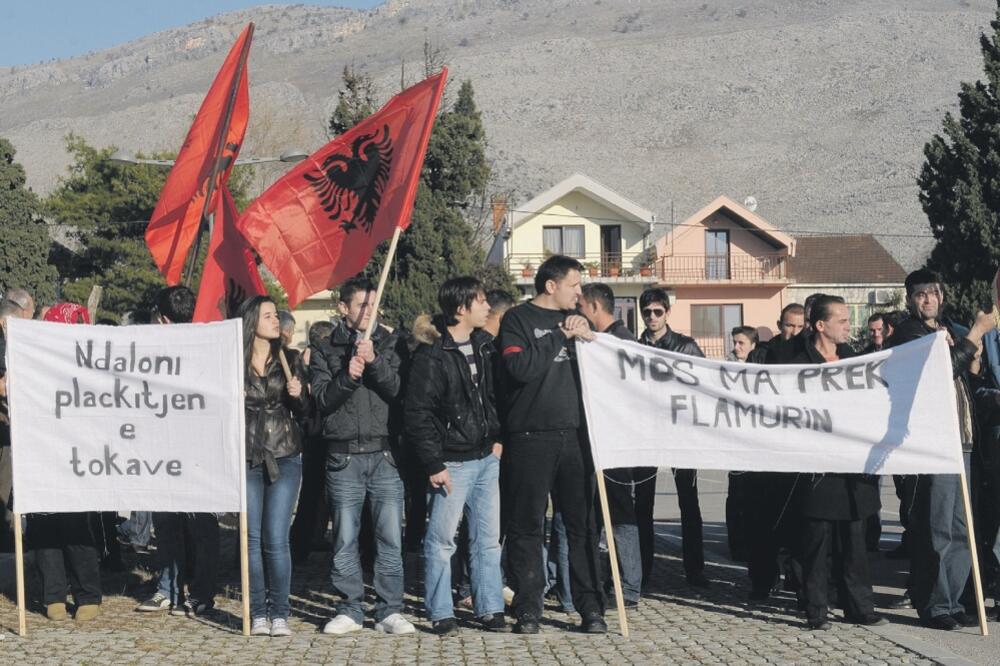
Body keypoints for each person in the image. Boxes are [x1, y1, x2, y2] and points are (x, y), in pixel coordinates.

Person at [499, 254, 606, 634]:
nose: (580, 293)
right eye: (574, 285)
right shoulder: (517, 320)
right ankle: (528, 609)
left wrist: (590, 338)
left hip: (576, 437)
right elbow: (520, 370)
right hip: (530, 437)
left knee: (582, 527)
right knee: (527, 525)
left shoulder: (582, 322)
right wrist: (561, 335)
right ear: (551, 285)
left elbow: (604, 370)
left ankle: (590, 608)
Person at [886, 269, 994, 630]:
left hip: (964, 440)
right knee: (938, 528)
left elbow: (967, 372)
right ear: (910, 299)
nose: (928, 299)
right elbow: (937, 374)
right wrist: (977, 334)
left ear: (942, 296)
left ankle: (954, 598)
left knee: (964, 529)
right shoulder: (909, 334)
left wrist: (973, 356)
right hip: (935, 443)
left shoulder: (951, 330)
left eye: (933, 292)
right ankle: (934, 604)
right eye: (920, 294)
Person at [310, 278, 414, 635]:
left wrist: (374, 363)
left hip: (385, 455)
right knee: (344, 538)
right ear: (343, 308)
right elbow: (322, 400)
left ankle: (389, 609)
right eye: (361, 306)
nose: (369, 312)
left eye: (373, 305)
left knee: (390, 538)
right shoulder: (326, 346)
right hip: (343, 458)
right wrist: (348, 375)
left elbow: (399, 391)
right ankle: (349, 609)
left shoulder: (392, 342)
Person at [406, 277, 506, 635]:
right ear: (461, 307)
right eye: (480, 301)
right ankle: (441, 612)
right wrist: (434, 463)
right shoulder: (431, 354)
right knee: (442, 540)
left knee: (487, 539)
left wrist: (498, 439)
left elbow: (496, 397)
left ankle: (490, 608)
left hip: (486, 457)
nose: (487, 307)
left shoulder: (485, 345)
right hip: (452, 463)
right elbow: (417, 414)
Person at [778, 295, 885, 630]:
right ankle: (816, 609)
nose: (847, 325)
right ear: (821, 325)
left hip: (853, 469)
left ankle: (860, 607)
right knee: (816, 544)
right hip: (817, 471)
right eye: (841, 319)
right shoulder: (795, 362)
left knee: (855, 543)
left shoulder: (855, 360)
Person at [137, 287, 220, 617]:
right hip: (162, 447)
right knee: (167, 520)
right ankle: (169, 588)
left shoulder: (208, 347)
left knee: (201, 525)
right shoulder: (151, 349)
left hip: (198, 449)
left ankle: (201, 593)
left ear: (163, 318)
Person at [240, 295, 309, 637]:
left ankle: (280, 611)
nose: (275, 321)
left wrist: (299, 395)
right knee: (250, 538)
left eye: (275, 316)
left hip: (284, 455)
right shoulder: (233, 362)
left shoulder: (290, 358)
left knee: (275, 538)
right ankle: (258, 613)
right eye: (268, 316)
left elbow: (308, 415)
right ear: (253, 321)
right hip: (248, 456)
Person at [28, 303, 102, 621]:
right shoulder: (33, 360)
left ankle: (87, 594)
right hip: (41, 449)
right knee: (44, 525)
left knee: (75, 524)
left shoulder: (94, 364)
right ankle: (53, 595)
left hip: (77, 452)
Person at [637, 287, 708, 587]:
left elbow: (706, 382)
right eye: (647, 312)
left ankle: (695, 570)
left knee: (688, 503)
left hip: (680, 435)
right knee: (642, 505)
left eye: (657, 311)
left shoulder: (686, 346)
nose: (652, 317)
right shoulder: (633, 346)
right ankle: (642, 571)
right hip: (645, 434)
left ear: (667, 312)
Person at [580, 283, 644, 606]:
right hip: (601, 439)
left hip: (615, 441)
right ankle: (608, 580)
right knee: (600, 515)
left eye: (581, 306)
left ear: (593, 307)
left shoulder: (618, 342)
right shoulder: (601, 339)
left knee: (620, 515)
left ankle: (629, 587)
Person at [290, 320, 335, 564]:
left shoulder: (303, 360)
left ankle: (304, 543)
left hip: (313, 433)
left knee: (312, 495)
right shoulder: (311, 363)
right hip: (318, 433)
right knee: (316, 494)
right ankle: (302, 544)